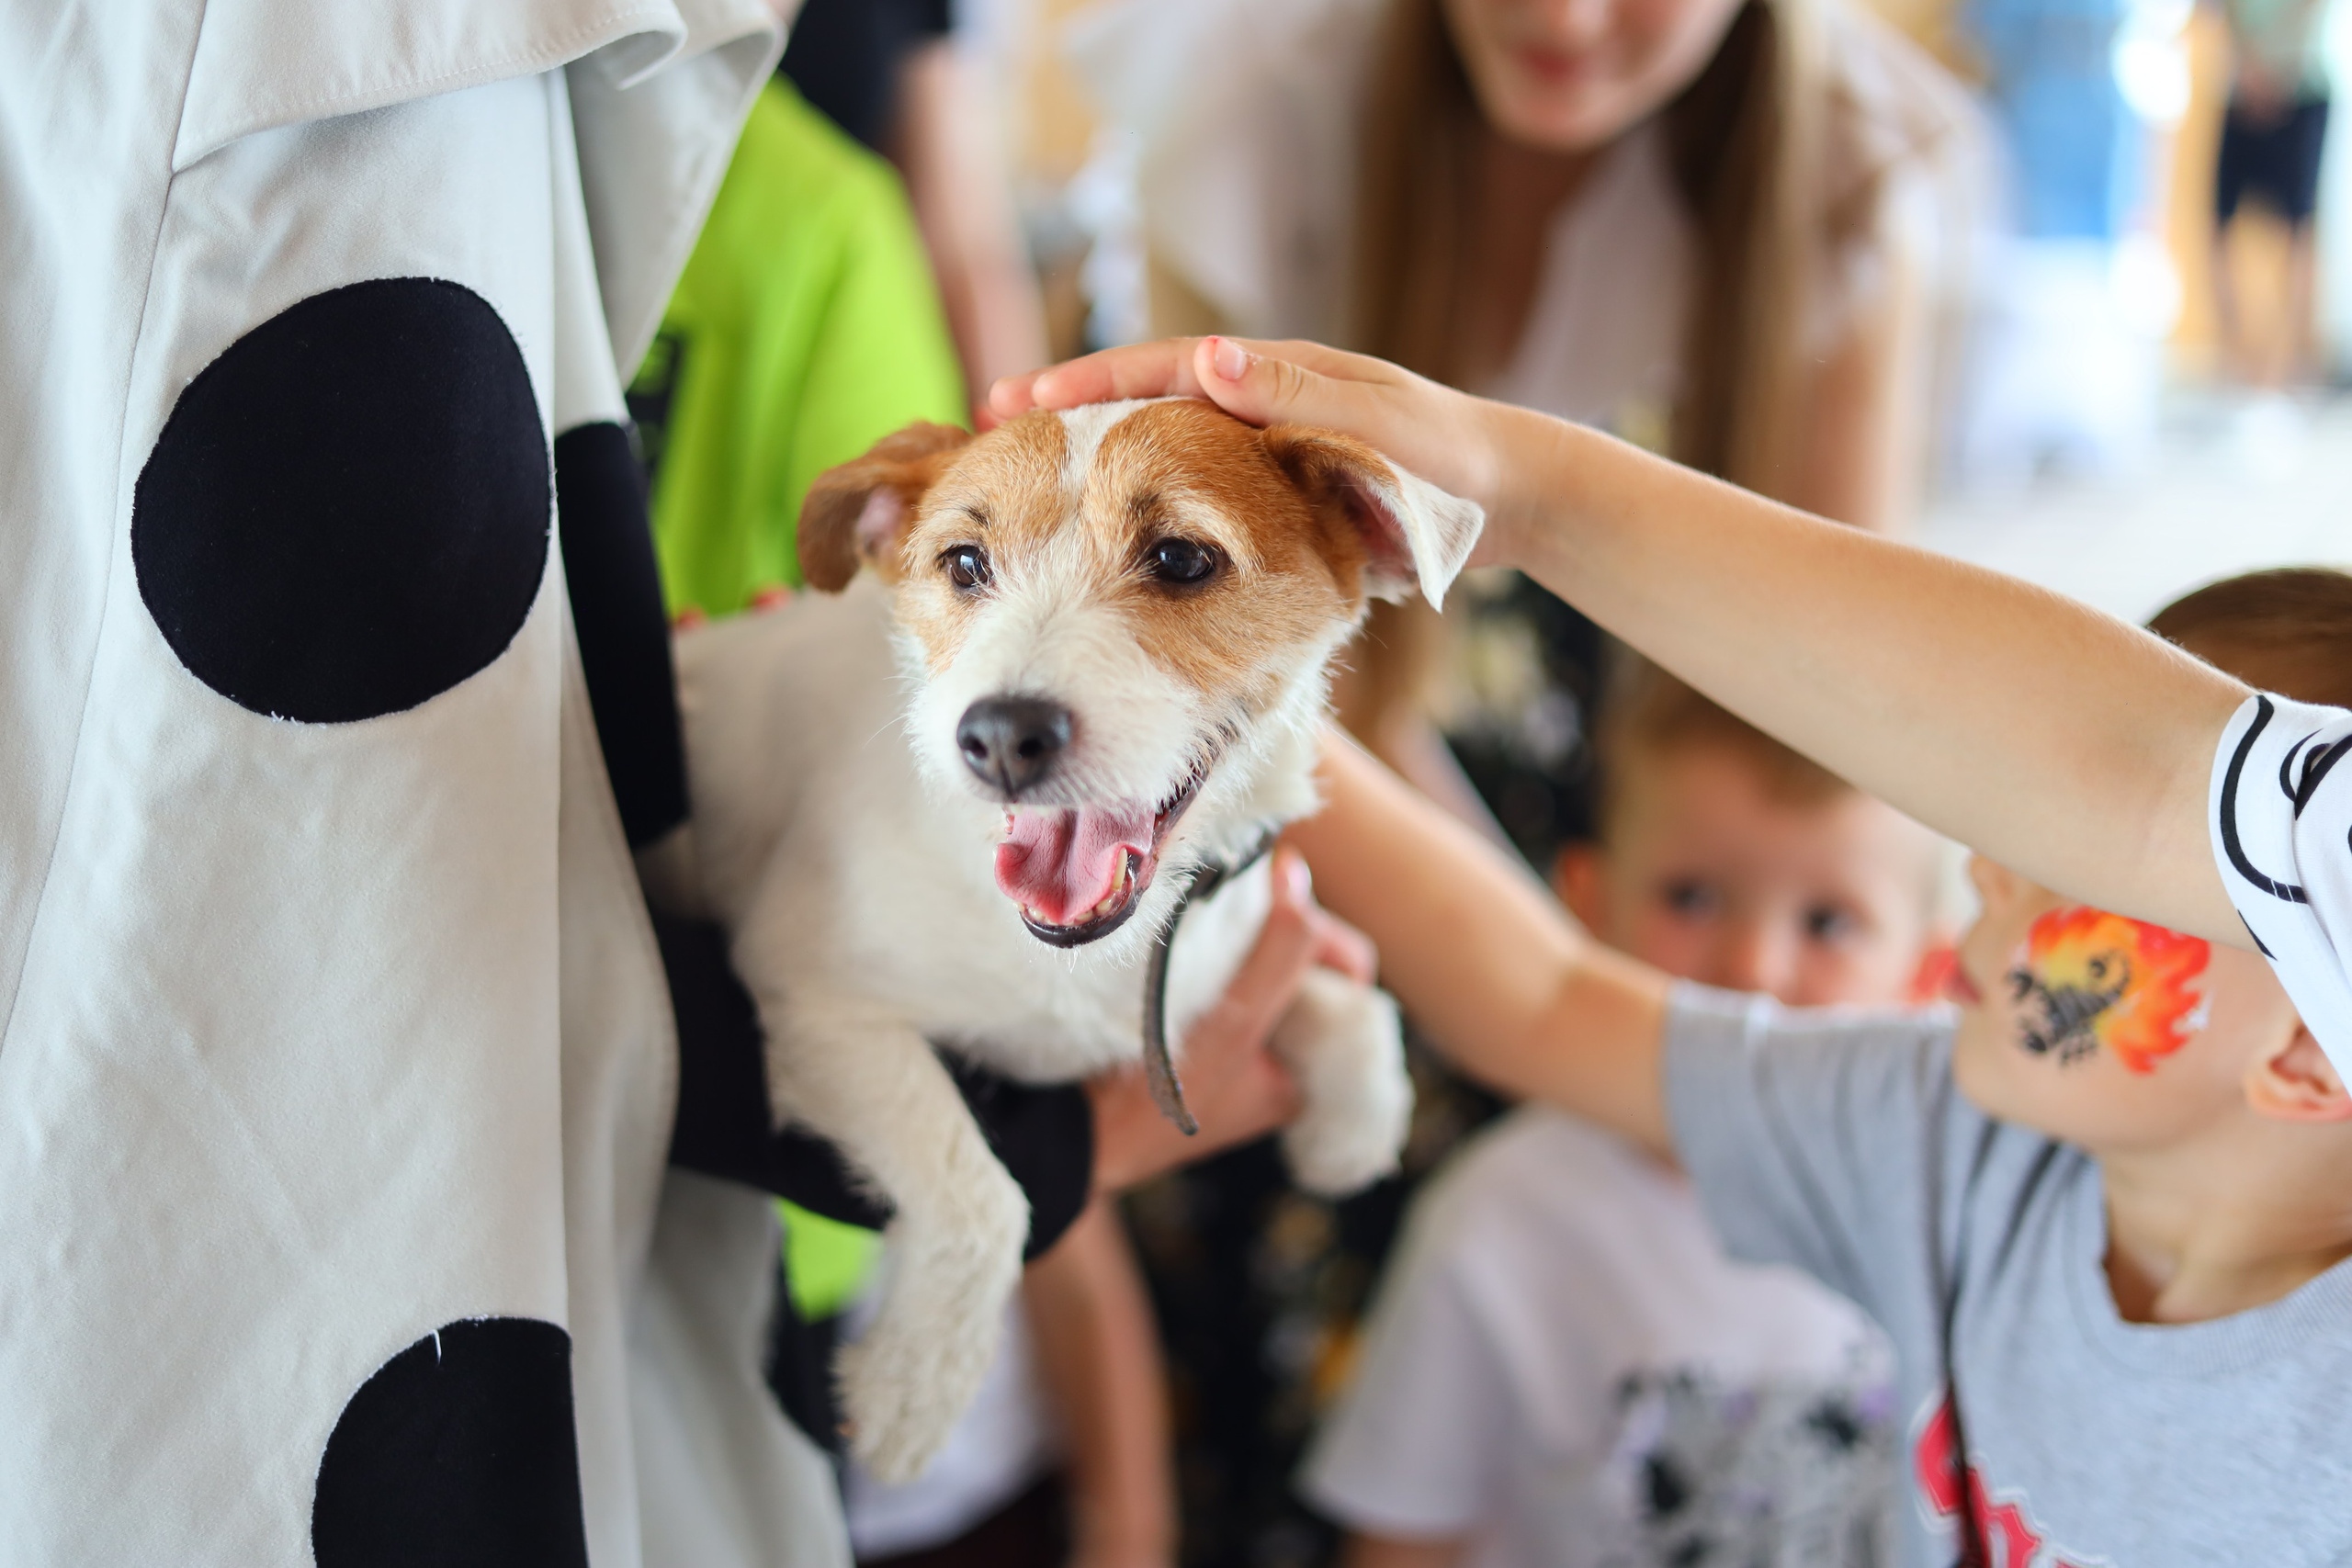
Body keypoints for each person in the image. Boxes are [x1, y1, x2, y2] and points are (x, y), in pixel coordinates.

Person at [993, 336, 2352, 1070]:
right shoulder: (1919, 1131)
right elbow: (1535, 990)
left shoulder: (1921, 1131)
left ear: (2308, 1050)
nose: (1986, 865)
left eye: (2099, 878)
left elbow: (2166, 783)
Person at [1301, 666, 1941, 1568]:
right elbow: (1404, 1539)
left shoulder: (1954, 1208)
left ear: (1929, 976)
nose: (1754, 970)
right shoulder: (1499, 1218)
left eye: (1829, 923)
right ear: (1587, 908)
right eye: (1690, 898)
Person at [2211, 0, 2333, 386]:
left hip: (2301, 89)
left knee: (2299, 228)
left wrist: (2278, 72)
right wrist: (2249, 68)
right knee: (2220, 226)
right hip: (2240, 90)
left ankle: (2295, 362)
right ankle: (2237, 360)